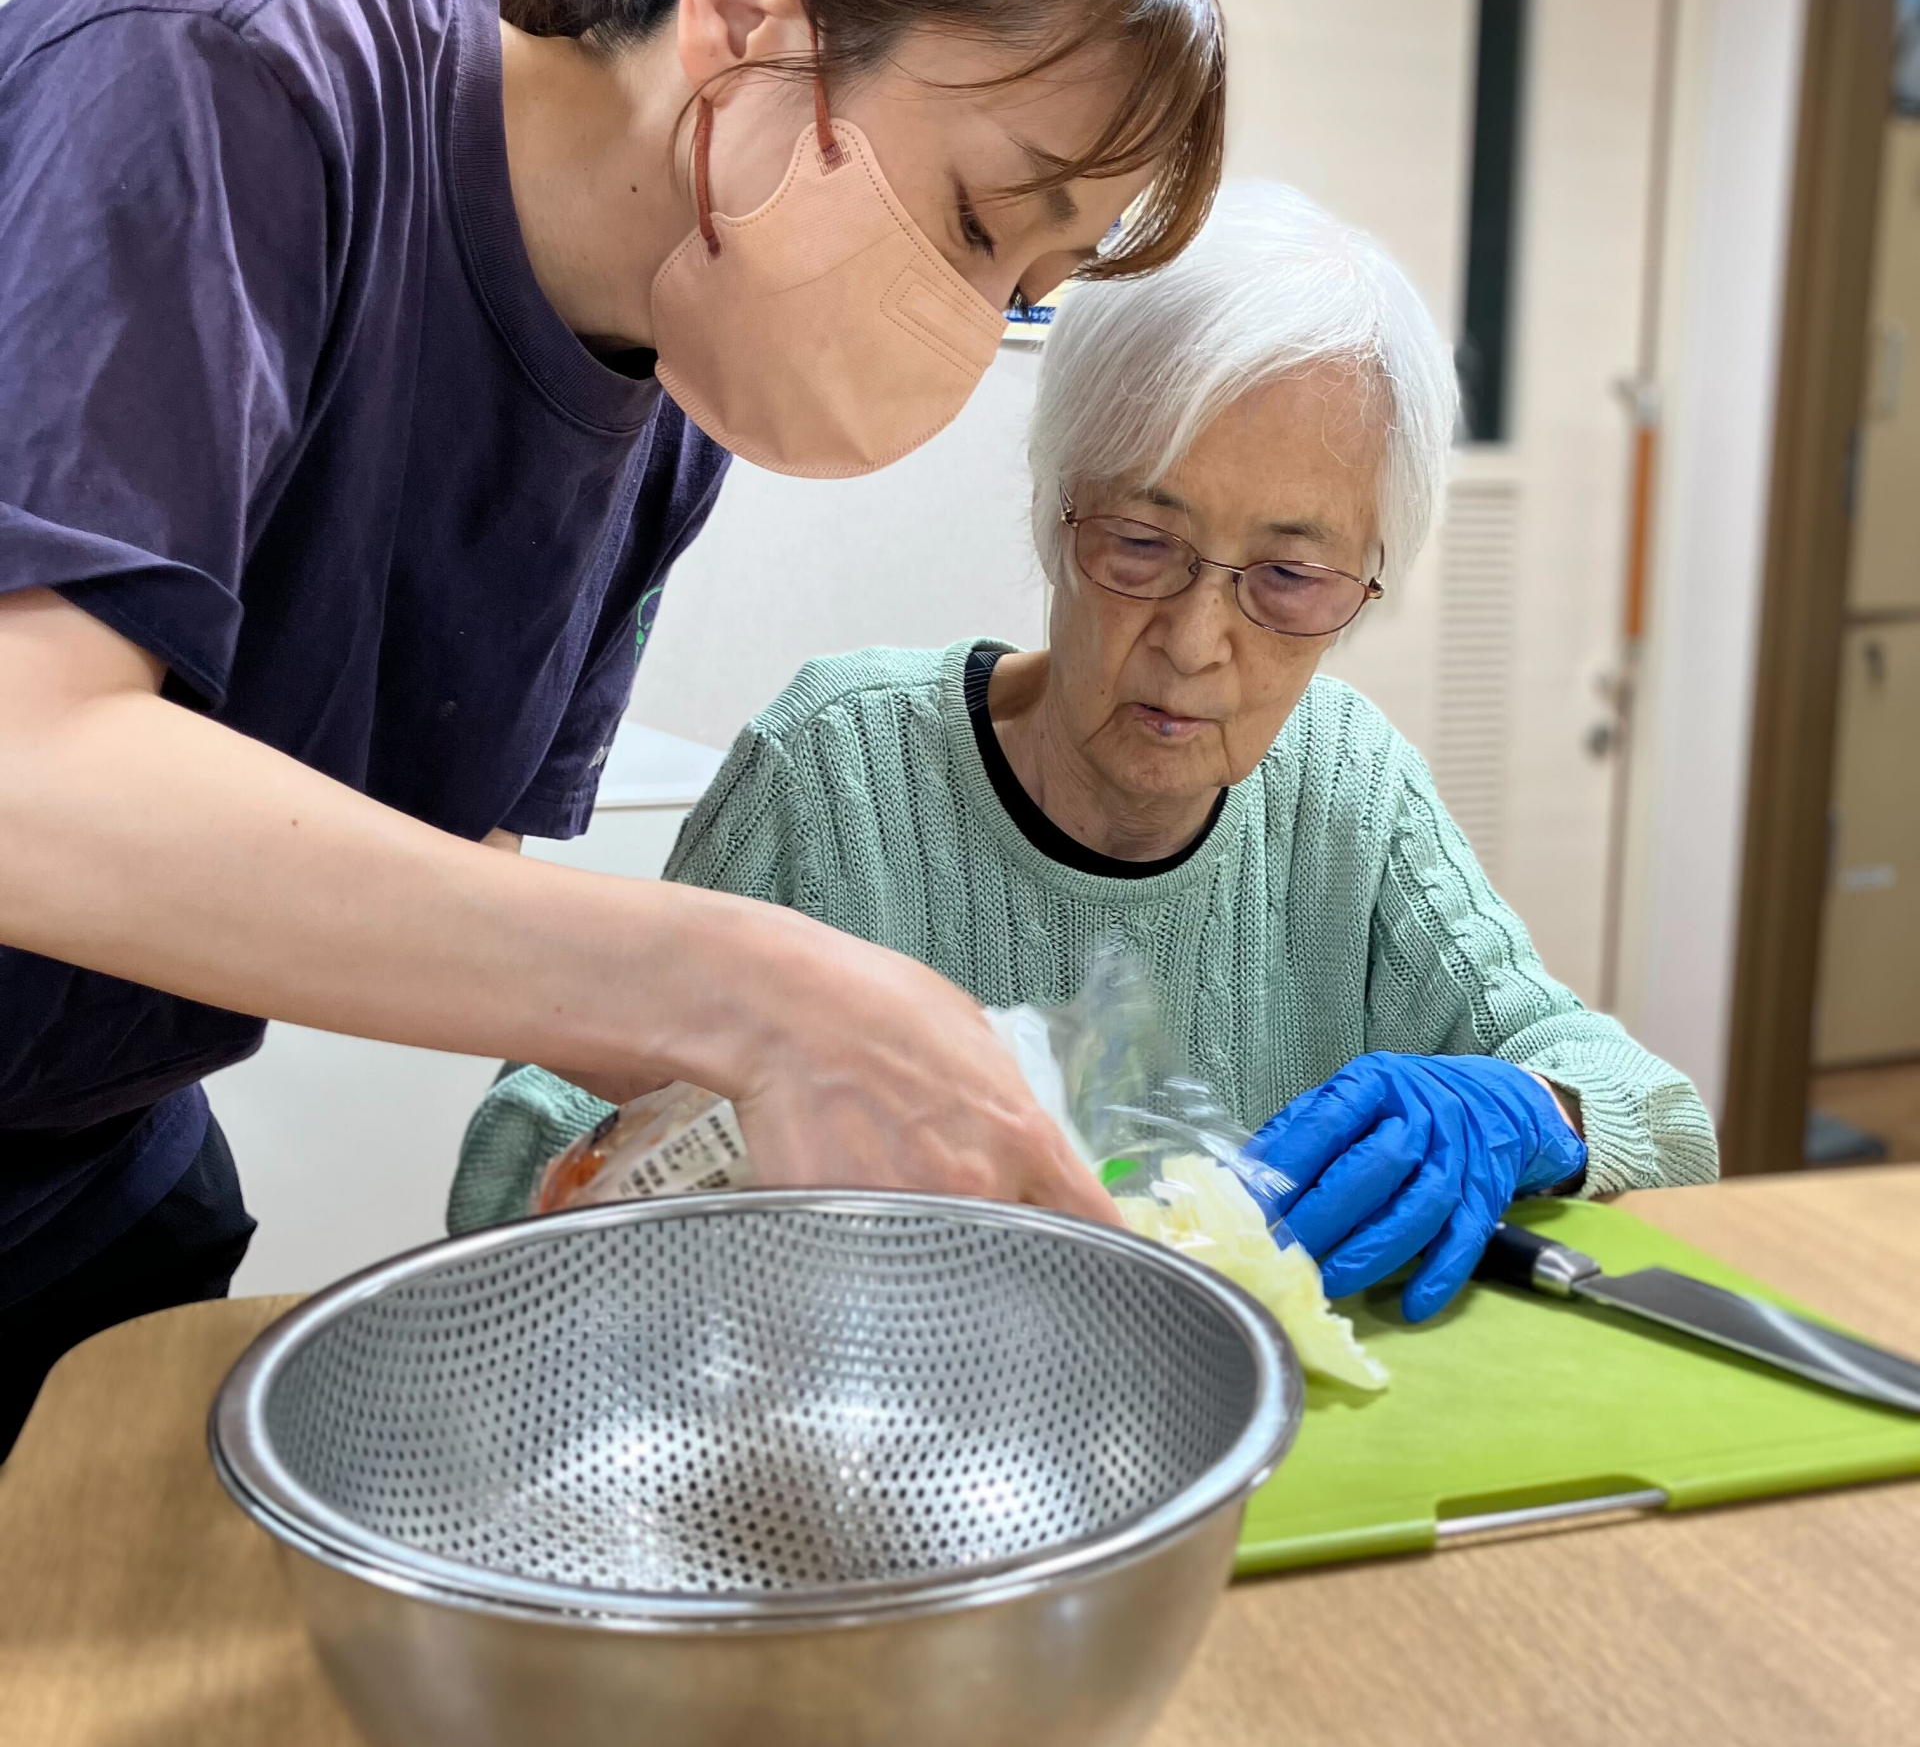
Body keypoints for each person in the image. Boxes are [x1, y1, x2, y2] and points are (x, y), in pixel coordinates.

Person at [0, 0, 1227, 1453]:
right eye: (976, 222)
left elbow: (445, 879)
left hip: (86, 1166)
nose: (974, 329)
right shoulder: (237, 73)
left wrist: (763, 1109)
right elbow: (30, 779)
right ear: (746, 10)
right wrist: (755, 993)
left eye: (1026, 288)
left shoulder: (667, 394)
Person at [454, 183, 1718, 1316]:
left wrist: (1528, 1110)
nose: (1196, 643)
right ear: (1056, 514)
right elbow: (518, 1167)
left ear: (1364, 584)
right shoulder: (837, 774)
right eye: (1142, 545)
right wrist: (733, 1164)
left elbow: (1658, 1114)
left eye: (1289, 578)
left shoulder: (1348, 788)